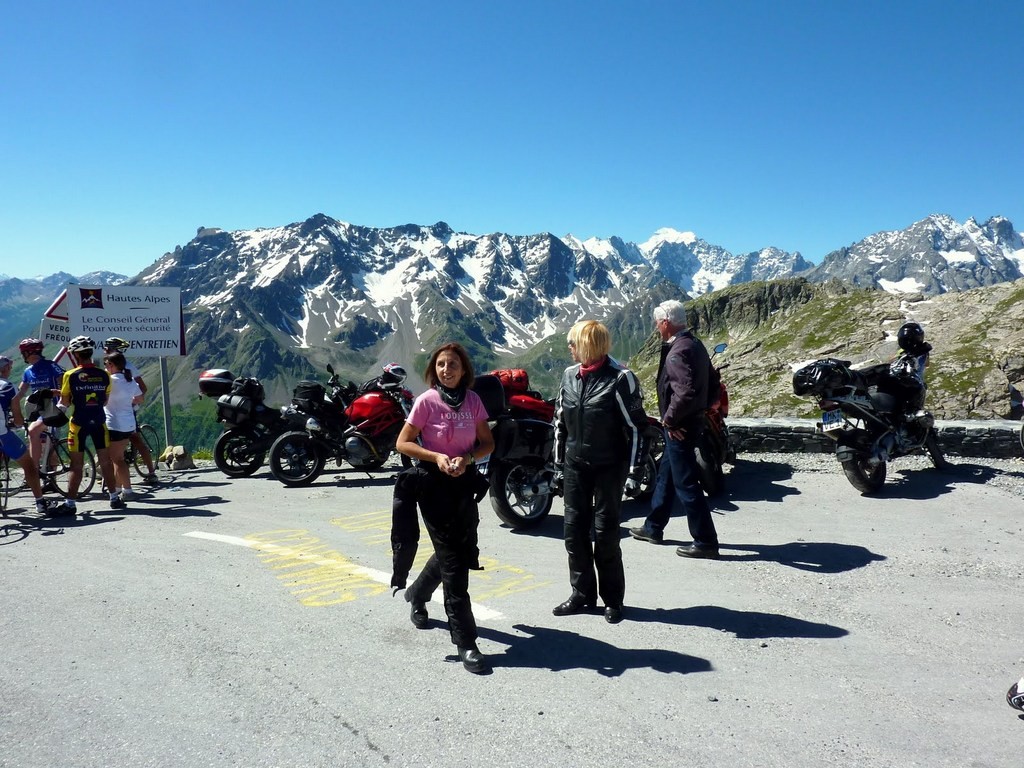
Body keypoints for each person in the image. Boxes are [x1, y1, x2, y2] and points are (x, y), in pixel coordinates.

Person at [394, 343, 495, 675]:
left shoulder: (474, 401)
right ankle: (466, 642)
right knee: (454, 565)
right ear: (433, 370)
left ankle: (417, 594)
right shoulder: (427, 402)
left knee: (459, 552)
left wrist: (467, 459)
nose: (446, 369)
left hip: (464, 486)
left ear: (463, 369)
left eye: (452, 364)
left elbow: (487, 443)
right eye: (440, 365)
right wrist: (436, 457)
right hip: (432, 488)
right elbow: (403, 442)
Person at [551, 320, 649, 624]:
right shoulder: (569, 376)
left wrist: (634, 472)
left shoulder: (621, 378)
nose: (569, 347)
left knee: (606, 535)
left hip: (609, 467)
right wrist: (557, 466)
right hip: (575, 466)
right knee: (573, 532)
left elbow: (637, 429)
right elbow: (560, 424)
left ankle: (612, 599)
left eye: (573, 342)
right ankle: (582, 594)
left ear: (589, 345)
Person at [630, 299, 721, 559]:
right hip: (691, 421)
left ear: (666, 323)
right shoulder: (694, 344)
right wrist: (706, 407)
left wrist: (669, 421)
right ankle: (653, 527)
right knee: (666, 476)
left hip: (679, 427)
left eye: (657, 323)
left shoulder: (677, 352)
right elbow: (713, 381)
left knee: (686, 483)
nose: (656, 327)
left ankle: (705, 540)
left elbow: (686, 392)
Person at [54, 336, 123, 516]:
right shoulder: (104, 374)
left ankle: (70, 504)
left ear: (76, 355)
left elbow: (65, 401)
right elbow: (105, 400)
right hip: (99, 422)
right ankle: (114, 497)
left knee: (76, 465)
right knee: (106, 461)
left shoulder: (70, 375)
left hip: (79, 424)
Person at [0, 356, 56, 515]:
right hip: (2, 434)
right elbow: (17, 418)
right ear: (5, 369)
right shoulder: (8, 387)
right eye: (10, 367)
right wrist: (19, 423)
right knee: (29, 465)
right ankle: (40, 503)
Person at [102, 337, 159, 483]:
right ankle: (113, 478)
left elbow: (143, 388)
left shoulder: (128, 366)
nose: (104, 350)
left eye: (106, 348)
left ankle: (151, 472)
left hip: (125, 411)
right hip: (115, 411)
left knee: (135, 440)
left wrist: (130, 403)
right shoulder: (112, 366)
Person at [10, 338, 65, 470]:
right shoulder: (28, 371)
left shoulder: (51, 365)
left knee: (35, 433)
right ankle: (49, 479)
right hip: (38, 409)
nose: (23, 356)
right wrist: (9, 403)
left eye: (23, 353)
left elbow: (65, 384)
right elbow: (20, 392)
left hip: (53, 408)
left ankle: (32, 471)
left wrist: (57, 393)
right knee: (44, 443)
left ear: (29, 353)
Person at [103, 352, 144, 502]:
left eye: (106, 364)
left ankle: (128, 491)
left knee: (118, 459)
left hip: (114, 424)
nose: (105, 367)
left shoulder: (108, 381)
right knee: (117, 457)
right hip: (128, 424)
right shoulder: (130, 380)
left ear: (112, 365)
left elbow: (103, 401)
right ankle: (118, 488)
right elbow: (140, 398)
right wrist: (126, 402)